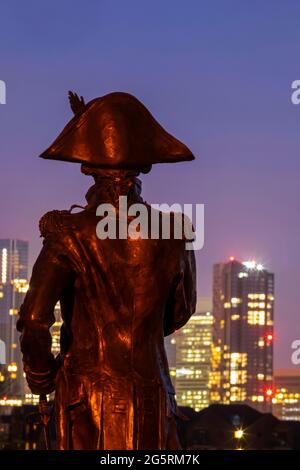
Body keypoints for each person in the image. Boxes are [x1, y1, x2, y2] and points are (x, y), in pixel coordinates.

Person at [17, 91, 197, 450]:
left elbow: (34, 319)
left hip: (85, 402)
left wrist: (42, 379)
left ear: (88, 166)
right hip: (153, 396)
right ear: (144, 167)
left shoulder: (67, 234)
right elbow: (179, 312)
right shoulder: (174, 233)